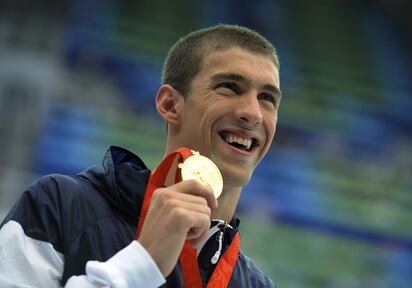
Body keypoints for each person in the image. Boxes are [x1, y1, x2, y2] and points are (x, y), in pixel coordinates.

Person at [0, 24, 281, 287]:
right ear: (170, 105)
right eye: (230, 87)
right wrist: (142, 264)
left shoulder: (255, 284)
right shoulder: (58, 206)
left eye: (267, 98)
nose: (253, 113)